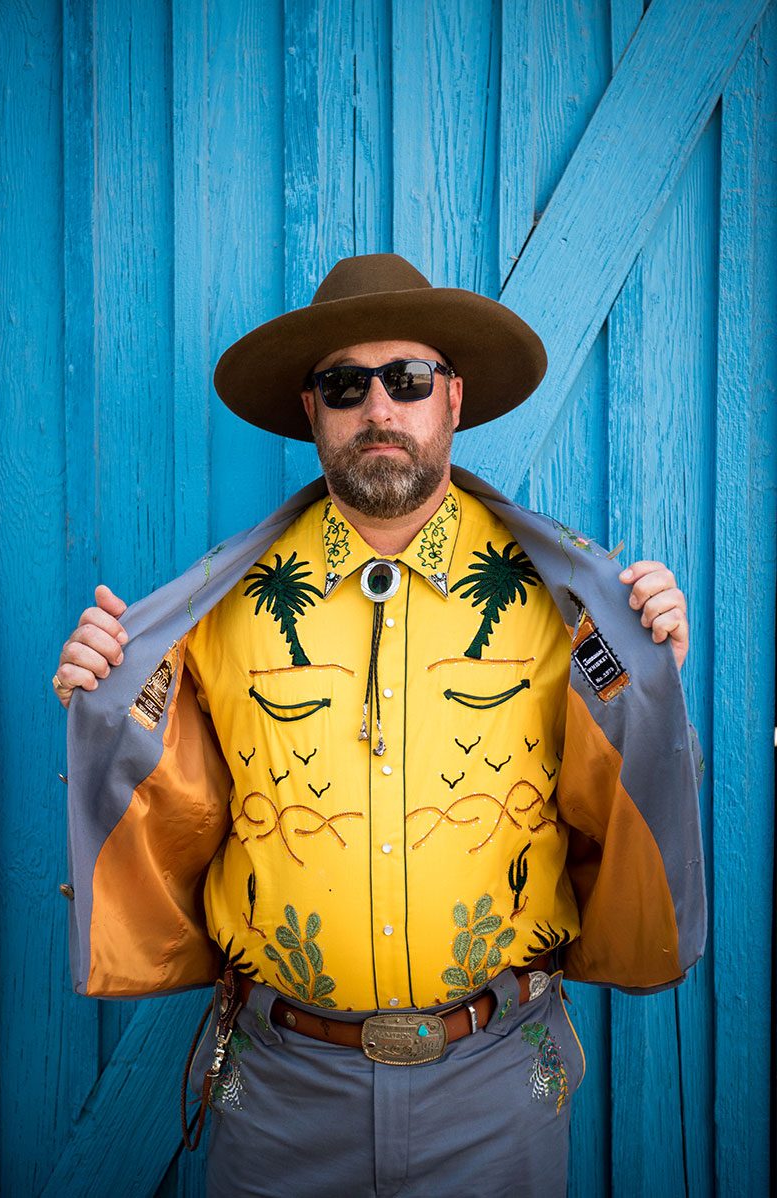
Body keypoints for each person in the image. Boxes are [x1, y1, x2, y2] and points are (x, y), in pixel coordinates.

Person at [53, 254, 705, 1198]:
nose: (379, 408)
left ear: (453, 399)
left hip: (495, 1090)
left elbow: (619, 787)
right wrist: (97, 692)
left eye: (406, 379)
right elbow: (163, 794)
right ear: (312, 412)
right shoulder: (218, 613)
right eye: (345, 385)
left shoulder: (571, 605)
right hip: (280, 1098)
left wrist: (653, 669)